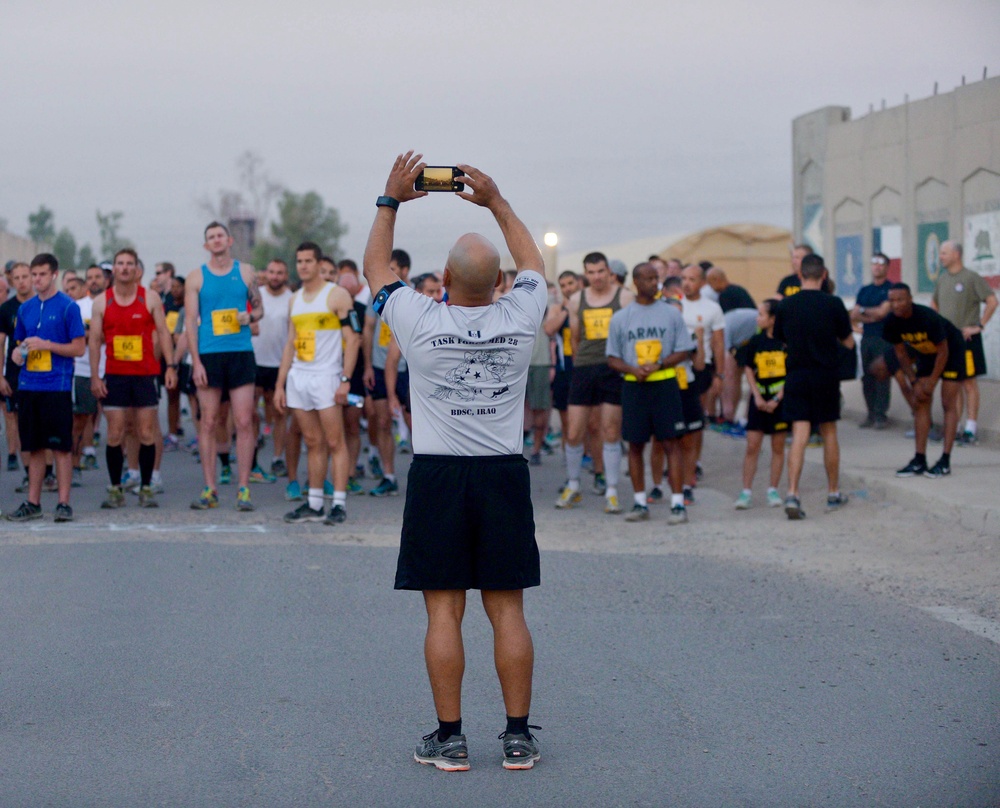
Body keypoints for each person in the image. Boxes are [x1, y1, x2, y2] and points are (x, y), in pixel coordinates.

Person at [365, 152, 546, 772]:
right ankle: (517, 737)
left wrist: (391, 200)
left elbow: (373, 270)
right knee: (508, 609)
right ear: (499, 284)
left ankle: (450, 740)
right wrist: (495, 200)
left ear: (441, 278)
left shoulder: (418, 317)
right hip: (502, 472)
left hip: (439, 473)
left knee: (444, 609)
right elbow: (535, 264)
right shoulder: (521, 315)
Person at [274, 242, 360, 524]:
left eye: (308, 261)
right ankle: (313, 504)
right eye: (299, 261)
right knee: (312, 441)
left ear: (318, 262)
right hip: (299, 377)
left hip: (327, 377)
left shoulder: (336, 295)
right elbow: (289, 344)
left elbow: (353, 339)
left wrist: (345, 380)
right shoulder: (294, 299)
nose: (303, 266)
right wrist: (280, 384)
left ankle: (338, 503)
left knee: (335, 441)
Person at [606, 262, 694, 524]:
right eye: (648, 279)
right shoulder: (622, 317)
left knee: (671, 443)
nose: (654, 283)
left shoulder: (671, 314)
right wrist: (633, 369)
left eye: (656, 278)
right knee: (635, 444)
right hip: (634, 387)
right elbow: (612, 357)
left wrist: (660, 364)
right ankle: (639, 501)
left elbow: (684, 350)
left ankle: (678, 504)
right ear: (636, 282)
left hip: (665, 385)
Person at [89, 248, 177, 508]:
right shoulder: (101, 302)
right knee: (115, 433)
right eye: (120, 264)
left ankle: (146, 487)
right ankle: (116, 488)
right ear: (113, 269)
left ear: (137, 269)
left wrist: (170, 366)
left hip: (145, 375)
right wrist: (95, 376)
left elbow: (163, 333)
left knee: (146, 431)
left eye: (130, 264)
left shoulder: (149, 298)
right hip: (115, 375)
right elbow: (94, 341)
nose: (125, 268)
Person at [185, 221, 263, 511]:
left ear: (229, 240)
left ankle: (243, 488)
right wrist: (196, 363)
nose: (216, 241)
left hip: (240, 352)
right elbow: (191, 325)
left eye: (220, 236)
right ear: (206, 245)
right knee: (209, 422)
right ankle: (210, 488)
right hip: (209, 354)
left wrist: (250, 318)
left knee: (243, 421)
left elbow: (260, 309)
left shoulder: (246, 272)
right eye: (210, 237)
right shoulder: (195, 277)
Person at [773, 254, 853, 519]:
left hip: (796, 375)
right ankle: (833, 492)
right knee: (829, 431)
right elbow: (849, 342)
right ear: (824, 275)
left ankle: (793, 493)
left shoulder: (786, 305)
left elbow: (780, 338)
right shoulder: (833, 303)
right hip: (825, 375)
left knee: (799, 435)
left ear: (800, 276)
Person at [7, 254, 86, 522]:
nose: (36, 279)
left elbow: (79, 347)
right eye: (33, 274)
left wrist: (48, 345)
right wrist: (18, 356)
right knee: (34, 446)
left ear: (53, 274)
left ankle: (63, 503)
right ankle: (33, 501)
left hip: (57, 386)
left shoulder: (68, 307)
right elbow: (19, 346)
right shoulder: (25, 309)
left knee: (60, 447)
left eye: (41, 274)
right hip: (29, 385)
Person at [557, 252, 634, 513]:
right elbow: (575, 338)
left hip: (613, 367)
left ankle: (611, 490)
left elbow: (628, 334)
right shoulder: (577, 299)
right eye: (591, 273)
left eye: (601, 271)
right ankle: (574, 484)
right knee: (574, 431)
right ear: (585, 274)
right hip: (585, 367)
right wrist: (581, 362)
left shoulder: (624, 296)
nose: (597, 277)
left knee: (610, 430)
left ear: (609, 271)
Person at [883, 283, 967, 478]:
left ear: (910, 299)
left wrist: (931, 382)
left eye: (900, 300)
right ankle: (919, 459)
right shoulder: (892, 322)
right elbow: (901, 355)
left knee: (948, 402)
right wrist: (914, 381)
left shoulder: (926, 317)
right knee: (921, 401)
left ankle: (945, 460)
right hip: (927, 354)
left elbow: (944, 351)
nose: (896, 305)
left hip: (951, 351)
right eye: (892, 300)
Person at [931, 241, 997, 445]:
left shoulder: (971, 278)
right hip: (948, 341)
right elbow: (935, 304)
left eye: (944, 253)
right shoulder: (942, 280)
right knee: (953, 383)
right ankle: (955, 427)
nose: (940, 257)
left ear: (956, 254)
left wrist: (979, 325)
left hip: (967, 339)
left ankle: (971, 429)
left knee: (968, 383)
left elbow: (992, 301)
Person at [361, 248, 411, 496]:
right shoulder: (379, 295)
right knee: (381, 422)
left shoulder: (414, 296)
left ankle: (423, 474)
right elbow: (368, 329)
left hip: (410, 368)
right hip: (380, 367)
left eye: (392, 268)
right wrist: (368, 365)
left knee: (417, 425)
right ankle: (388, 475)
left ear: (404, 270)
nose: (387, 273)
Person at [733, 299, 788, 508]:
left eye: (761, 315)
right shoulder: (755, 341)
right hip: (758, 402)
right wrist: (756, 396)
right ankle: (746, 492)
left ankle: (772, 490)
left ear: (773, 319)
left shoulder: (785, 342)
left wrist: (777, 399)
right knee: (752, 446)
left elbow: (790, 371)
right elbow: (748, 368)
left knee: (778, 446)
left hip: (779, 404)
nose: (757, 319)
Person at [251, 258, 293, 480]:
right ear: (266, 273)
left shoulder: (292, 299)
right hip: (255, 361)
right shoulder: (256, 296)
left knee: (279, 414)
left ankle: (277, 458)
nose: (275, 276)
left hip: (280, 364)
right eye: (272, 272)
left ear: (285, 276)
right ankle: (252, 459)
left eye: (280, 272)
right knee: (250, 414)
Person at [851, 252, 894, 429]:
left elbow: (883, 313)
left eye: (881, 264)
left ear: (886, 267)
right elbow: (853, 315)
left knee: (882, 376)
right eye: (874, 264)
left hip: (884, 339)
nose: (877, 267)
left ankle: (880, 415)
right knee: (867, 377)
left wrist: (864, 313)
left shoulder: (891, 289)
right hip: (866, 339)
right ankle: (870, 413)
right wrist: (871, 315)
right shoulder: (864, 290)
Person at [0, 262, 32, 475]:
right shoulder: (7, 309)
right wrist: (1, 377)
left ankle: (47, 473)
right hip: (14, 374)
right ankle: (29, 472)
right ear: (12, 281)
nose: (21, 281)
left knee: (40, 423)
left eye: (25, 277)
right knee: (18, 421)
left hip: (44, 373)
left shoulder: (42, 304)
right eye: (17, 278)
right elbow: (1, 343)